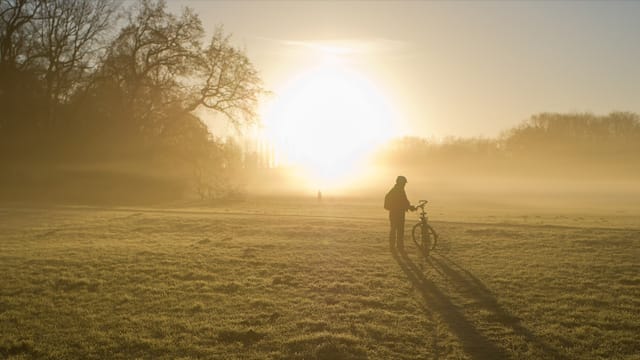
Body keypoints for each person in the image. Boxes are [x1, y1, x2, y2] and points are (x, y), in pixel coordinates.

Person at [384, 175, 415, 249]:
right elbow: (401, 202)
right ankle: (395, 246)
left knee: (397, 229)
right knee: (396, 229)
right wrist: (409, 207)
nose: (404, 184)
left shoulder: (399, 189)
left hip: (398, 213)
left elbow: (404, 201)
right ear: (400, 182)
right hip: (396, 213)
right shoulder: (398, 190)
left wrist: (409, 206)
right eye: (404, 183)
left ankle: (397, 245)